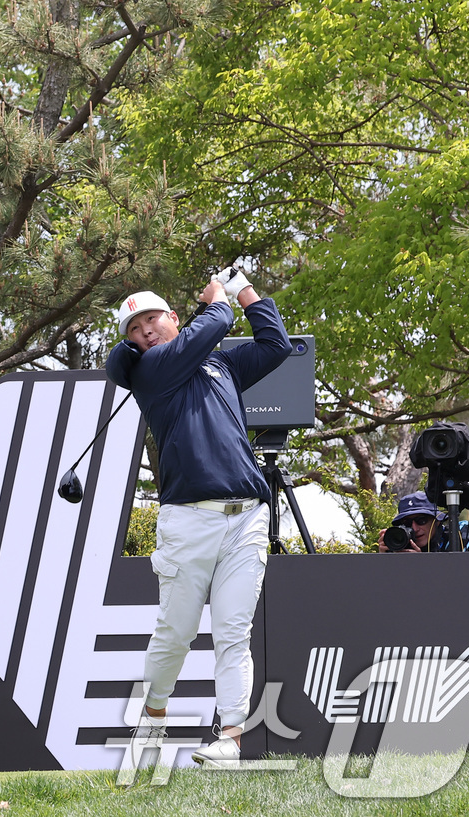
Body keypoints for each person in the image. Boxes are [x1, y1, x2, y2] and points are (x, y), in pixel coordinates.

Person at [105, 272, 290, 769]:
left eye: (151, 319)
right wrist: (219, 299)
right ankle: (153, 716)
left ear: (173, 318)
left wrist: (245, 288)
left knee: (234, 632)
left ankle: (229, 739)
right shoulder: (152, 370)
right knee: (176, 631)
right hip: (187, 521)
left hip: (246, 517)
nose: (144, 331)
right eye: (134, 329)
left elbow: (275, 345)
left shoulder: (220, 363)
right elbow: (218, 319)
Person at [377, 491, 469, 553]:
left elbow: (463, 581)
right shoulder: (400, 546)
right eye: (407, 524)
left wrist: (422, 563)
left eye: (421, 520)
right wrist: (385, 559)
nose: (415, 528)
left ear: (437, 521)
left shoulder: (458, 539)